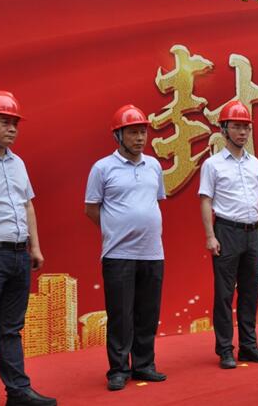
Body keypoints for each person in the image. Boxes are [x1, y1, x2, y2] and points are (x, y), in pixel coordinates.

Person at [85, 104, 167, 391]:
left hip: (152, 252)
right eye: (133, 132)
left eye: (143, 132)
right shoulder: (102, 168)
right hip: (118, 254)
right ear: (117, 135)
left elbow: (155, 202)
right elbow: (91, 208)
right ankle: (118, 369)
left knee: (148, 313)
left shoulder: (154, 166)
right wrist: (115, 229)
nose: (140, 138)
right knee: (120, 315)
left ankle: (144, 365)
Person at [0, 91, 56, 406]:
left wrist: (36, 247)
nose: (12, 128)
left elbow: (27, 205)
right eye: (4, 121)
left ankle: (17, 392)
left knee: (10, 328)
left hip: (18, 255)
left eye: (15, 123)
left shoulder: (18, 163)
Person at [198, 101, 258, 369]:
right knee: (224, 293)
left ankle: (249, 346)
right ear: (224, 129)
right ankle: (225, 349)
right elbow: (206, 200)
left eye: (246, 127)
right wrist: (210, 236)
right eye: (237, 127)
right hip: (227, 231)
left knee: (251, 292)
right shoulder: (212, 164)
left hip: (253, 232)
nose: (242, 132)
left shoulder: (255, 163)